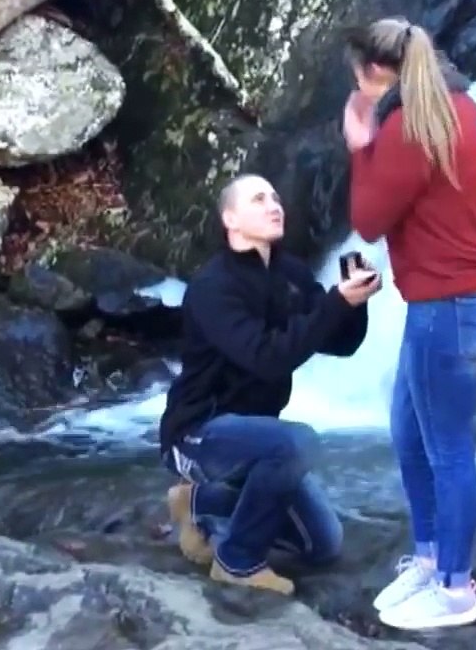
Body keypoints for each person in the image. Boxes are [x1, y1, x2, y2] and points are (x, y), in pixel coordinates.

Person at [341, 17, 476, 629]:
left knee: (446, 447)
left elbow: (367, 218)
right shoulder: (465, 109)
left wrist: (361, 143)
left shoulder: (412, 125)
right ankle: (432, 556)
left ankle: (455, 590)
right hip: (454, 298)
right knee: (409, 432)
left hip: (454, 303)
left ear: (373, 72)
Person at [158, 173, 383, 595]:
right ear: (231, 219)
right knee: (297, 443)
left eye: (276, 197)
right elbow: (267, 359)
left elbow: (341, 342)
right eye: (258, 199)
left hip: (258, 438)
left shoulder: (290, 273)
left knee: (323, 544)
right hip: (198, 433)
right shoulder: (213, 287)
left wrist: (353, 303)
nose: (274, 204)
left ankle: (195, 503)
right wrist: (335, 303)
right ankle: (237, 561)